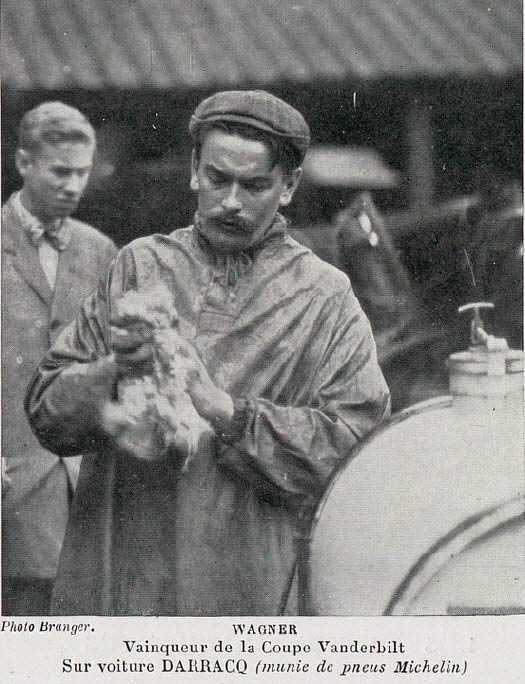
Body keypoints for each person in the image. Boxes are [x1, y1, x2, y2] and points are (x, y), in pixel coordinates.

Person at [25, 90, 390, 616]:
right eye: (218, 178)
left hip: (246, 583)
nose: (231, 202)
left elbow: (357, 446)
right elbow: (45, 409)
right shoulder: (139, 266)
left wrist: (225, 410)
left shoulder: (324, 297)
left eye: (255, 185)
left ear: (288, 186)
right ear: (195, 171)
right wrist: (113, 371)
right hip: (127, 571)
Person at [2, 102, 117, 615]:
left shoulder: (100, 250)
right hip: (12, 476)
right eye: (60, 172)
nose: (73, 186)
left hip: (84, 478)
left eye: (83, 173)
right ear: (23, 163)